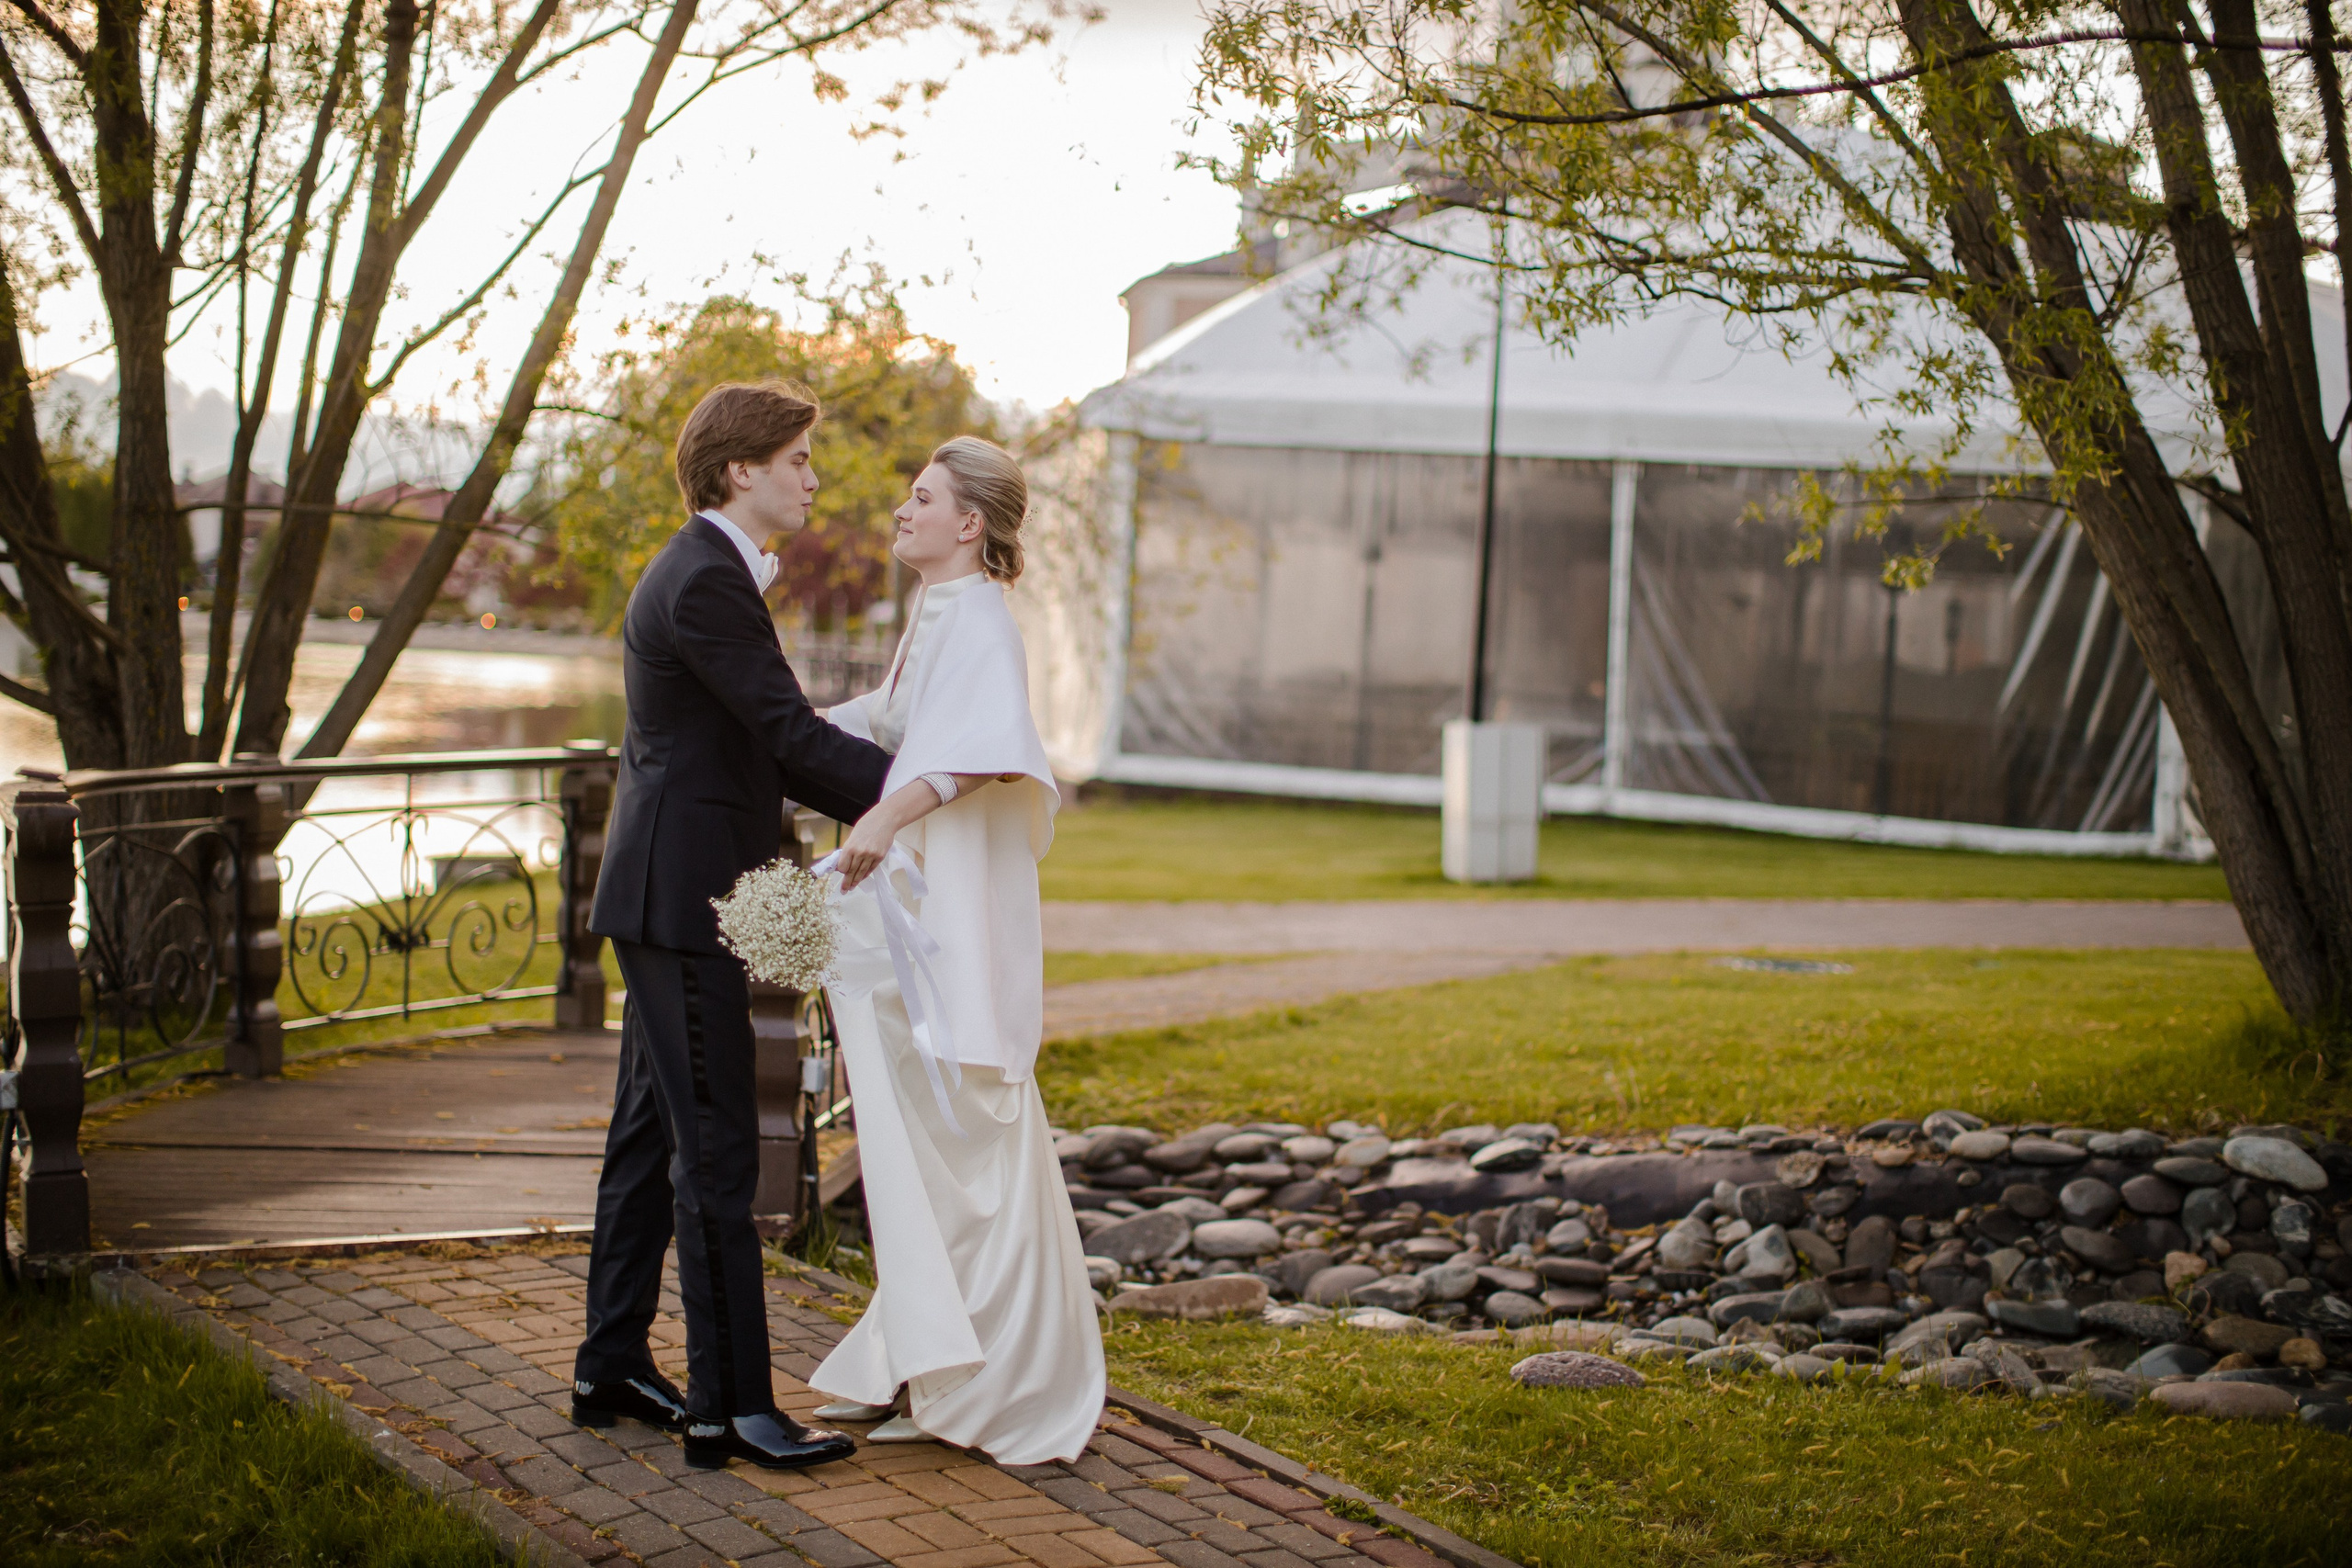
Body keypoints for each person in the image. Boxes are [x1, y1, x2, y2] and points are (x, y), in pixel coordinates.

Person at [573, 380, 890, 1471]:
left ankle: (609, 1361)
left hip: (670, 896)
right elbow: (787, 737)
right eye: (800, 458)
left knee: (649, 1138)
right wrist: (926, 797)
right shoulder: (706, 578)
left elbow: (764, 741)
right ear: (740, 468)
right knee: (713, 1152)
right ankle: (732, 1407)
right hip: (686, 903)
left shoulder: (702, 570)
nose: (815, 478)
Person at [805, 435, 1105, 1465]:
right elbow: (891, 718)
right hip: (910, 912)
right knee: (920, 1147)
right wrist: (777, 726)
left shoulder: (980, 619)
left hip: (949, 913)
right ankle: (921, 1357)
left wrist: (883, 822)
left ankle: (989, 1381)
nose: (901, 508)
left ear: (968, 524)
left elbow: (982, 752)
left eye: (921, 496)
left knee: (963, 1133)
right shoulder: (936, 615)